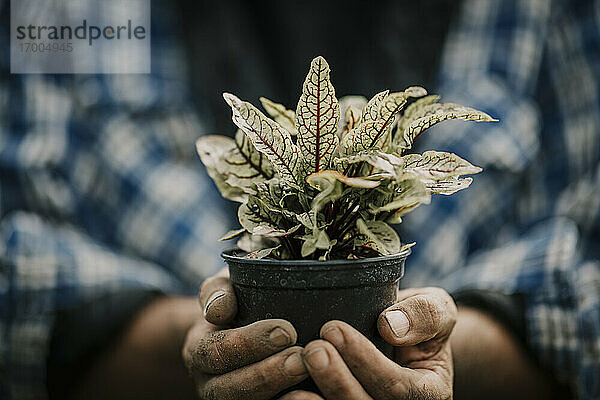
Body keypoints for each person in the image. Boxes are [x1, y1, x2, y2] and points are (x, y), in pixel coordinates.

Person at [1, 1, 598, 400]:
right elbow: (17, 287)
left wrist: (447, 346)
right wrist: (189, 341)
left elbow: (587, 299)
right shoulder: (63, 14)